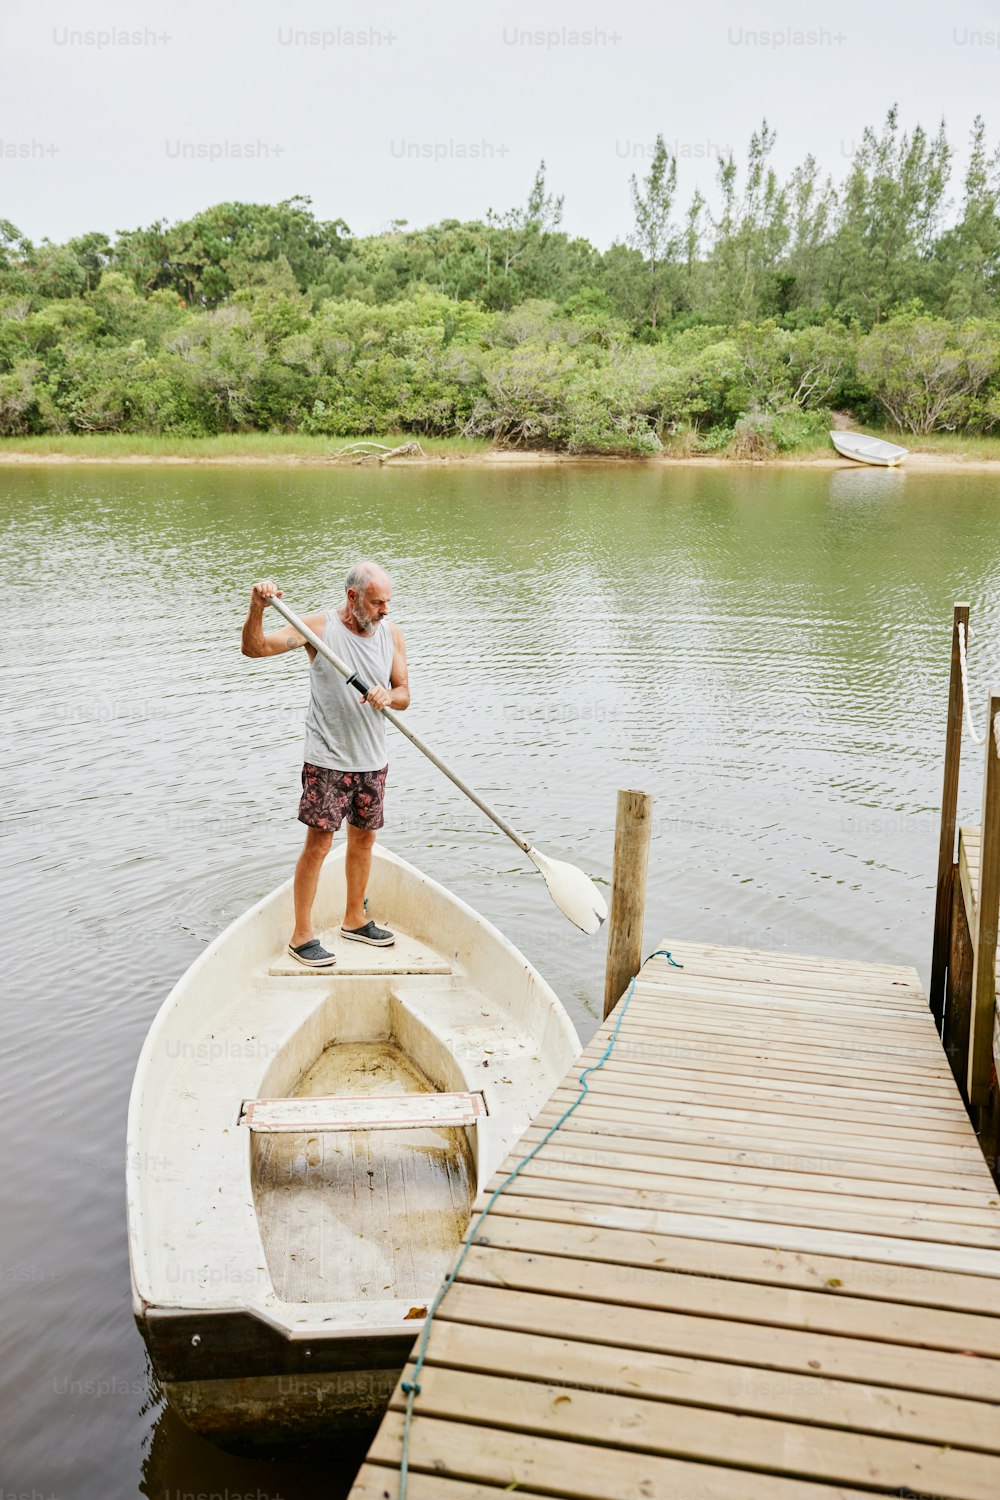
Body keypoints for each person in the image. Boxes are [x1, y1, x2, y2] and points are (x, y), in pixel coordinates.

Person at [241, 560, 410, 967]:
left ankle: (354, 919)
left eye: (387, 602)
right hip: (328, 760)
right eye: (377, 603)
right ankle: (301, 937)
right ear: (352, 597)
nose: (384, 610)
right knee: (318, 845)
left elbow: (404, 693)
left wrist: (389, 697)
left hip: (373, 760)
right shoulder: (317, 629)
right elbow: (254, 649)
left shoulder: (391, 633)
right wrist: (257, 608)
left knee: (365, 840)